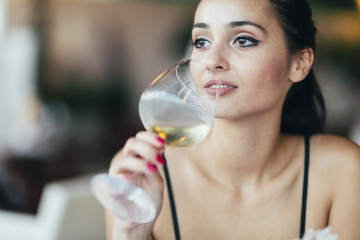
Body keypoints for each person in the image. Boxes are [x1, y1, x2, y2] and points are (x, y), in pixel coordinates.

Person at [106, 0, 360, 239]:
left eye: (243, 40)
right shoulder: (142, 176)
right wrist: (131, 232)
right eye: (202, 41)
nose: (212, 61)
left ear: (299, 63)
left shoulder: (342, 172)